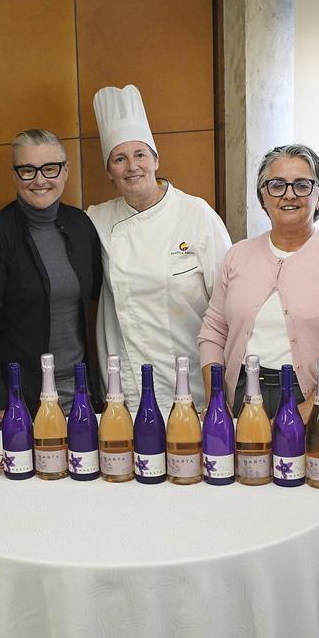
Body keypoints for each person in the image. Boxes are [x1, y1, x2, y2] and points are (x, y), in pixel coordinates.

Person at [197, 144, 319, 467]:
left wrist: (312, 406)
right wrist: (215, 399)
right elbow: (212, 332)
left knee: (318, 489)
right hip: (242, 399)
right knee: (244, 488)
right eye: (276, 185)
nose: (289, 194)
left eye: (302, 185)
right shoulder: (237, 256)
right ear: (263, 197)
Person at [87, 84, 231, 411]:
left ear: (155, 159)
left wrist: (219, 390)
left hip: (192, 381)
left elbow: (228, 303)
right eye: (119, 159)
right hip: (126, 387)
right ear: (109, 172)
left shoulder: (197, 215)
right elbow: (52, 231)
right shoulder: (96, 219)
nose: (132, 166)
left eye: (140, 155)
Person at [0, 128, 102, 413]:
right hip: (21, 397)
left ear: (65, 171)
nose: (40, 180)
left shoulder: (80, 225)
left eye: (50, 169)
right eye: (28, 170)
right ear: (15, 175)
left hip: (80, 390)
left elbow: (103, 292)